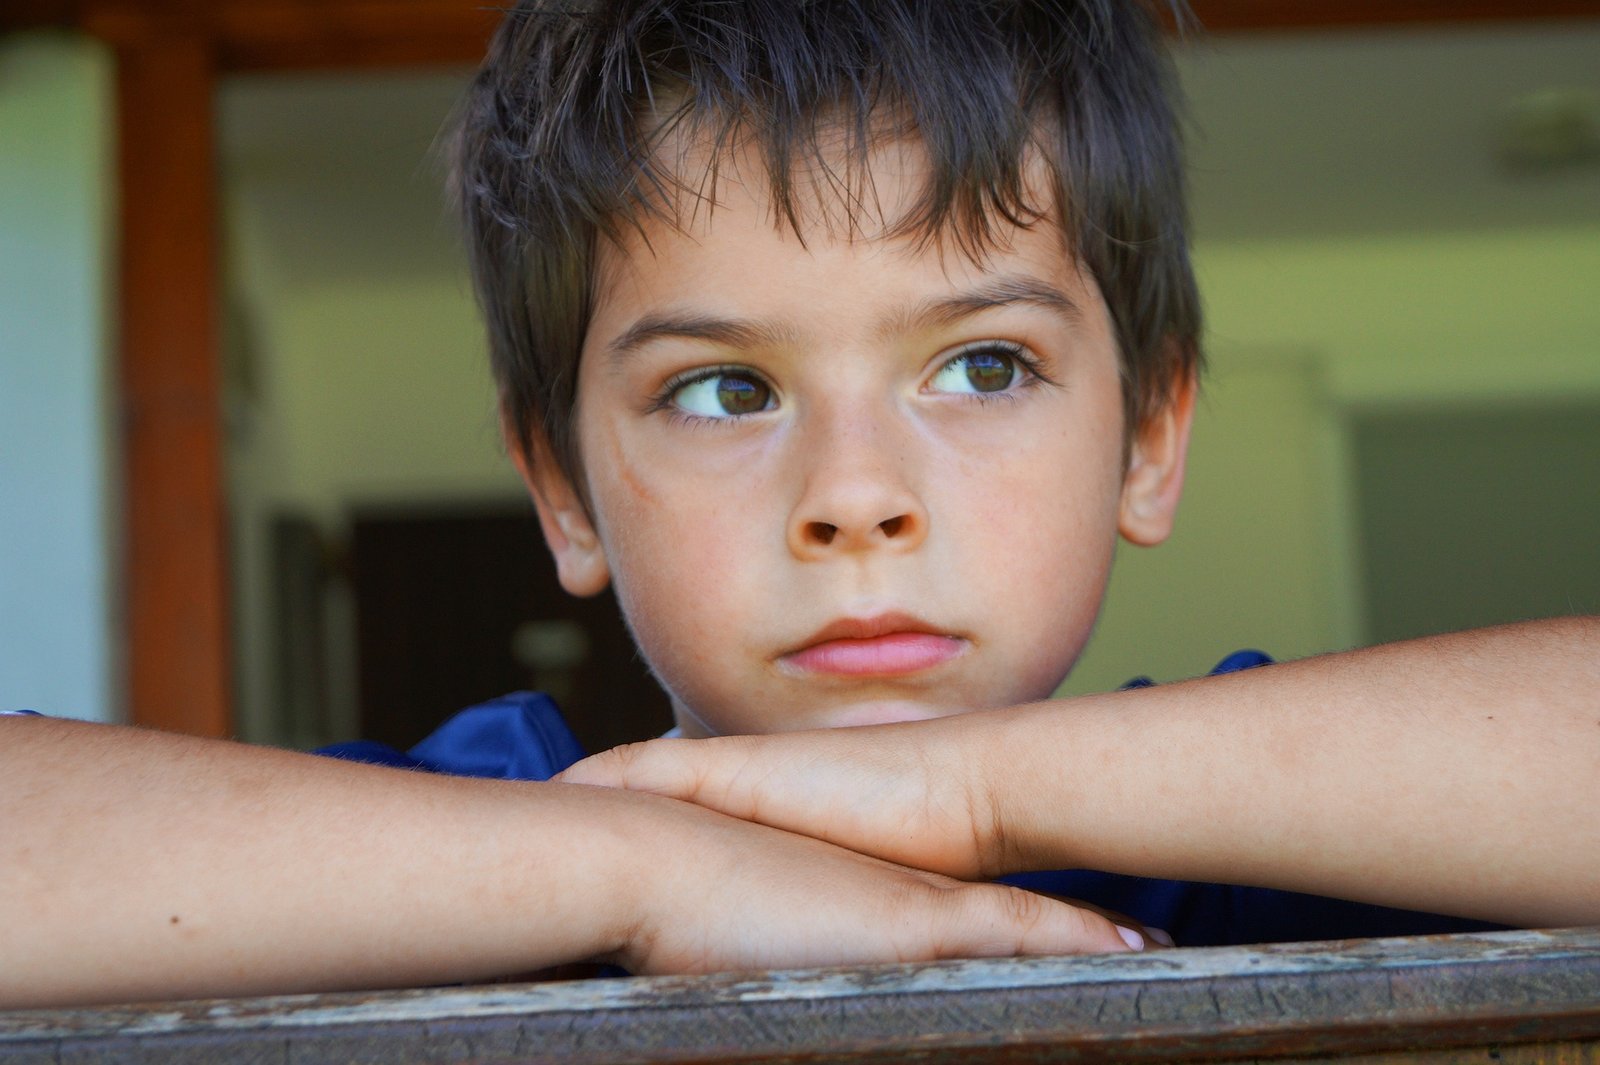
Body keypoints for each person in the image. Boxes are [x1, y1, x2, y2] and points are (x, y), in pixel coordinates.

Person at [3, 0, 1595, 1010]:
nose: (853, 499)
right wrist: (653, 874)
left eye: (980, 366)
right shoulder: (504, 824)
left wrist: (969, 798)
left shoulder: (1225, 840)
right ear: (564, 489)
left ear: (1150, 435)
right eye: (725, 390)